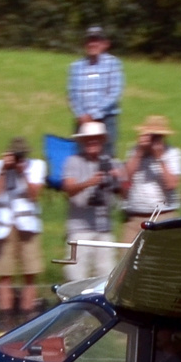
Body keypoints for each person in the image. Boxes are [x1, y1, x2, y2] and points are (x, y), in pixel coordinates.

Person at [0, 136, 45, 329]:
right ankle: (6, 321)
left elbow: (35, 196)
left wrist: (23, 173)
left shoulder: (36, 167)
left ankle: (28, 320)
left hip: (27, 223)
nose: (18, 160)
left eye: (21, 156)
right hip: (4, 225)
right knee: (4, 274)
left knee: (30, 273)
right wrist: (4, 170)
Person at [60, 120, 124, 281]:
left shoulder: (112, 162)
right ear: (82, 141)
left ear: (102, 140)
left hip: (104, 228)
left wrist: (119, 179)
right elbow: (68, 189)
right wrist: (90, 182)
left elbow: (125, 193)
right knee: (76, 276)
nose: (92, 142)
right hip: (79, 228)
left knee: (106, 277)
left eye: (95, 138)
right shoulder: (74, 161)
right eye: (88, 139)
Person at [120, 115, 181, 243]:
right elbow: (124, 178)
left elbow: (172, 184)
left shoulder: (173, 153)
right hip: (135, 218)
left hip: (163, 216)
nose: (153, 140)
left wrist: (159, 157)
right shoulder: (135, 151)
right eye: (151, 136)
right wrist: (138, 153)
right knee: (127, 259)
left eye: (157, 137)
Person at [68, 25, 124, 159]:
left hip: (106, 119)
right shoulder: (76, 66)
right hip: (82, 121)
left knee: (107, 157)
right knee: (82, 158)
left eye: (96, 40)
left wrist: (93, 114)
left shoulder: (113, 63)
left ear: (104, 44)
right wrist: (81, 115)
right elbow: (72, 94)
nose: (92, 44)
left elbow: (114, 92)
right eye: (89, 40)